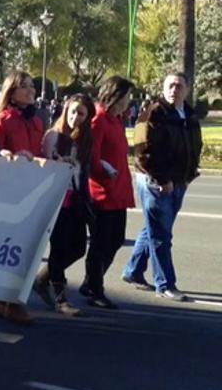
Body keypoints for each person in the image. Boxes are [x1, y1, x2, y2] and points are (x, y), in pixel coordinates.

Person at [123, 73, 202, 302]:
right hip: (156, 182)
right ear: (164, 88)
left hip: (179, 181)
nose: (174, 90)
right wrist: (161, 179)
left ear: (187, 89)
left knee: (154, 229)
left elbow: (195, 145)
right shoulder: (153, 112)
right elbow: (142, 150)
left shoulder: (188, 114)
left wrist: (188, 176)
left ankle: (133, 271)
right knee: (161, 235)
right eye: (170, 85)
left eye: (179, 85)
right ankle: (165, 284)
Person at [0, 70, 43, 325]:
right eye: (24, 87)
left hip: (31, 190)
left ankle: (5, 301)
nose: (31, 91)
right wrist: (5, 153)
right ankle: (9, 300)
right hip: (8, 194)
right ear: (12, 92)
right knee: (11, 247)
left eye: (32, 86)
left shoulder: (37, 121)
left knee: (28, 247)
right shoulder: (1, 120)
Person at [33, 94, 96, 316]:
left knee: (78, 247)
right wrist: (58, 161)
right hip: (57, 198)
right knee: (59, 247)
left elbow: (85, 170)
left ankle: (41, 279)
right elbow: (46, 160)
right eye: (72, 111)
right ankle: (61, 298)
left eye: (81, 113)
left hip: (77, 198)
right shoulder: (54, 135)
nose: (75, 117)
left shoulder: (85, 139)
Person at [80, 77, 136, 309]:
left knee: (116, 240)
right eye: (126, 97)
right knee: (101, 243)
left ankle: (88, 281)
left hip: (118, 188)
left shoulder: (116, 120)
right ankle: (95, 288)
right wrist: (103, 170)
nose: (129, 102)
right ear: (114, 96)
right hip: (102, 190)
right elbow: (91, 156)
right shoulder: (99, 119)